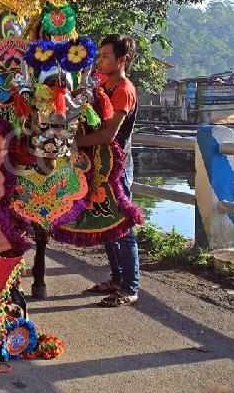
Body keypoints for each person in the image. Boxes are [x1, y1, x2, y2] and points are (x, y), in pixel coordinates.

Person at [76, 34, 140, 307]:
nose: (100, 61)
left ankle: (130, 286)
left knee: (123, 226)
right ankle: (116, 278)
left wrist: (74, 142)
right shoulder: (103, 82)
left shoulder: (124, 90)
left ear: (122, 59)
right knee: (107, 221)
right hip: (101, 165)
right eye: (99, 56)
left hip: (118, 166)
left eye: (105, 56)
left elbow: (108, 135)